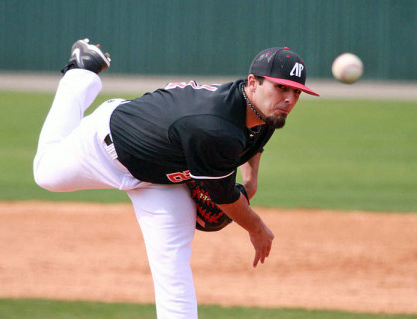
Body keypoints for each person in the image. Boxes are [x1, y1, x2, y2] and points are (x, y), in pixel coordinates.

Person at [33, 38, 319, 318]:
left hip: (161, 178)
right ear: (253, 82)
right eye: (281, 87)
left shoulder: (264, 110)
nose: (289, 99)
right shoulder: (216, 126)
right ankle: (81, 73)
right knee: (46, 174)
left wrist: (251, 182)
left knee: (172, 265)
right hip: (106, 146)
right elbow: (223, 197)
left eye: (296, 92)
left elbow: (252, 140)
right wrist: (256, 227)